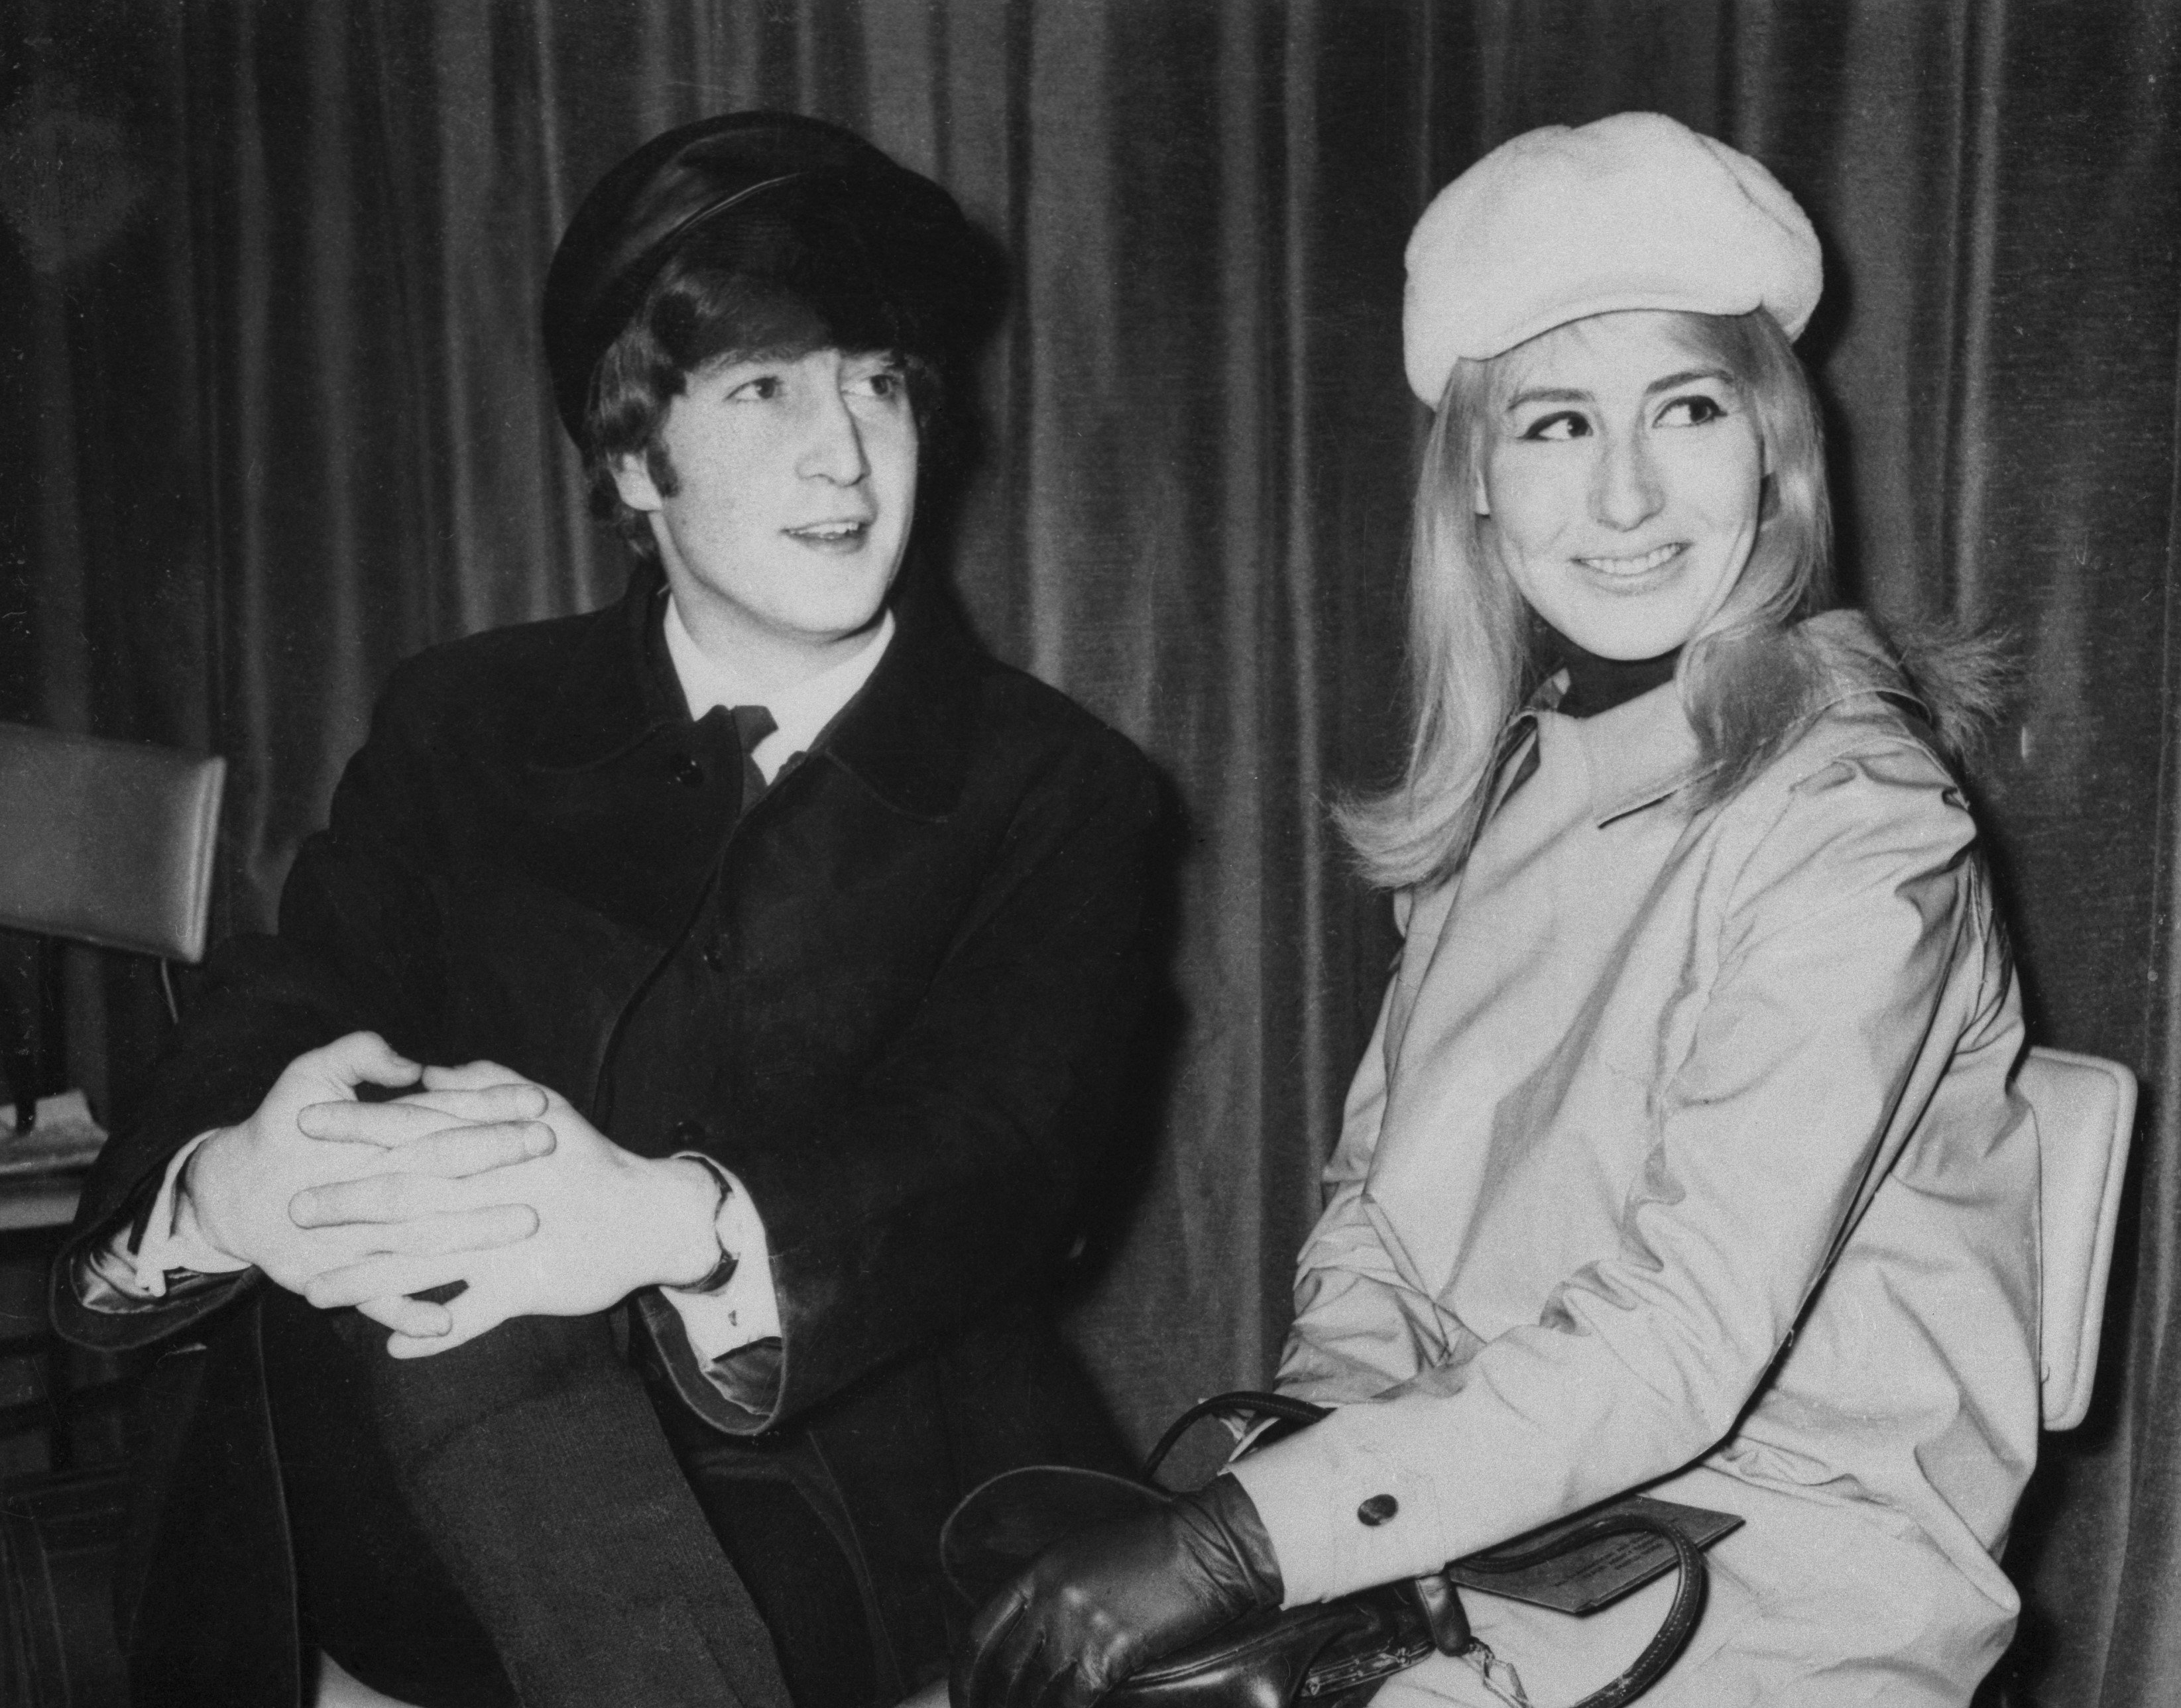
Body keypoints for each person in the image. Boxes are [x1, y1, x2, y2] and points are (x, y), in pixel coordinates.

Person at [52, 111, 1159, 1708]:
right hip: (414, 1473)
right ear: (636, 455)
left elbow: (1003, 1155)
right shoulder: (463, 718)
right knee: (446, 1237)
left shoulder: (1058, 788)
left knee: (473, 1253)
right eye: (766, 386)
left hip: (844, 1496)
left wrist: (657, 1219)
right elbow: (288, 1001)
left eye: (877, 380)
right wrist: (235, 1181)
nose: (844, 451)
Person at [952, 112, 2037, 1708]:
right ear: (1473, 480)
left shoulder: (1858, 823)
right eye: (1551, 425)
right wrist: (1309, 1474)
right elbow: (1379, 1224)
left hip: (1771, 1579)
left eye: (1685, 407)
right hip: (1497, 1539)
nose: (1623, 495)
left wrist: (1249, 1548)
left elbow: (1678, 1337)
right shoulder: (1521, 787)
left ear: (1774, 447)